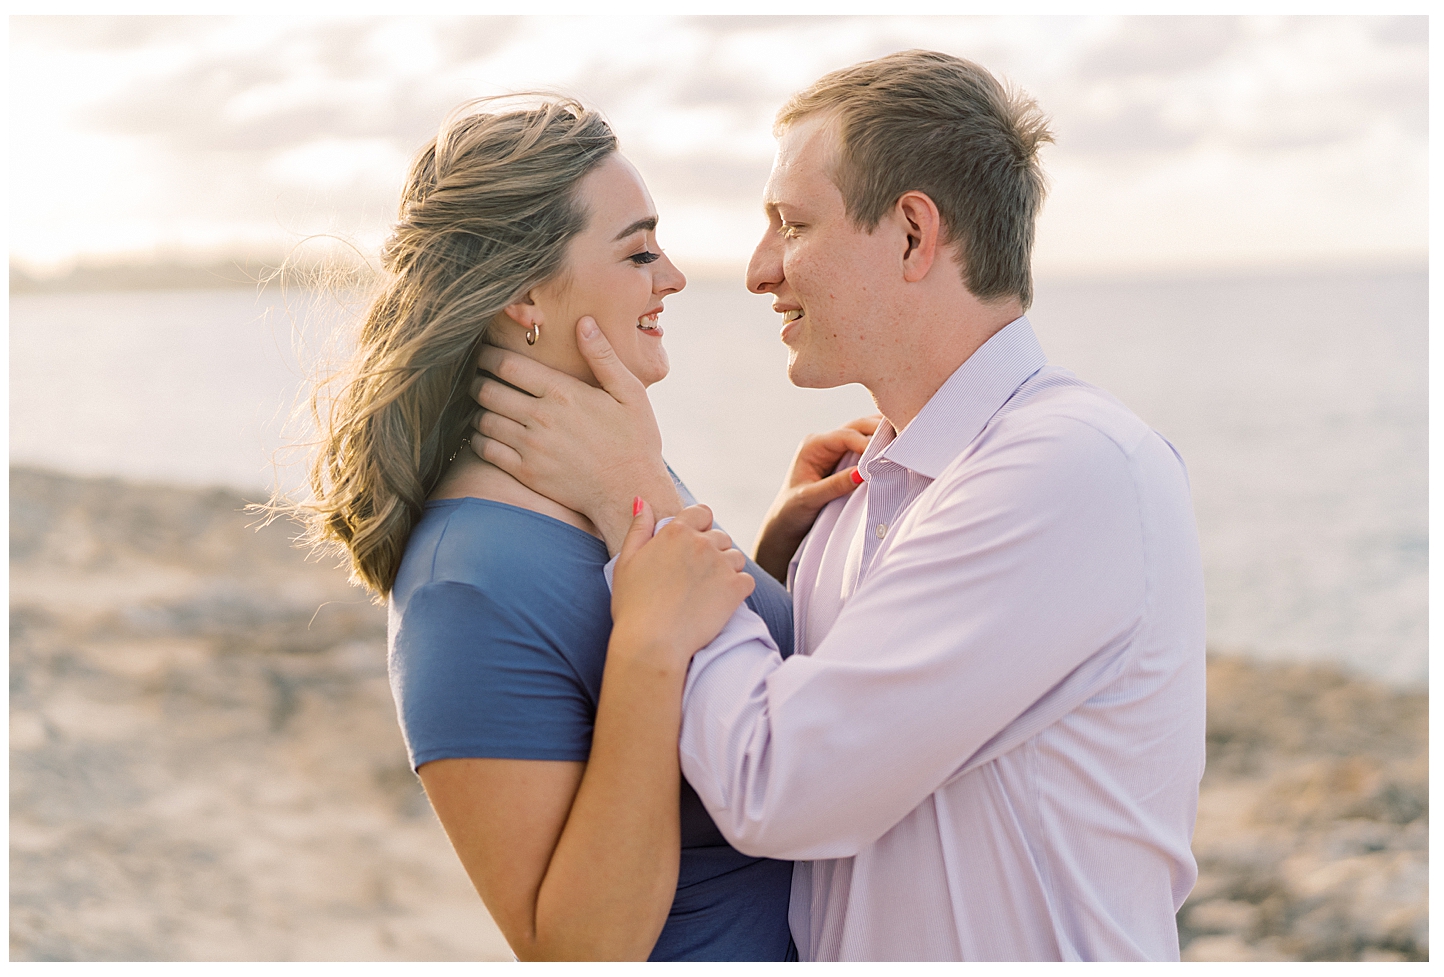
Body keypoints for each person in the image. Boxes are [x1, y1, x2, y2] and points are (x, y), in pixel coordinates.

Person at [466, 51, 1207, 961]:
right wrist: (768, 570)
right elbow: (826, 716)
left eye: (791, 224)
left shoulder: (1071, 471)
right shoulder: (860, 506)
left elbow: (774, 782)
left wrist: (640, 490)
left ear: (910, 234)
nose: (757, 269)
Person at [292, 96, 871, 961]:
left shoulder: (610, 461)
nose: (671, 277)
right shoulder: (466, 583)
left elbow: (708, 716)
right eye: (638, 251)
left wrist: (769, 565)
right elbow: (574, 949)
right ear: (525, 292)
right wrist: (648, 643)